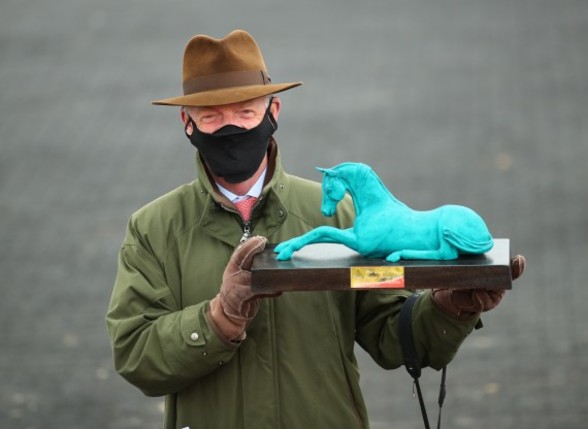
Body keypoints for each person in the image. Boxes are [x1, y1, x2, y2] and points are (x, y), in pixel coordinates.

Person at [106, 29, 526, 429]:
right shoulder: (153, 229)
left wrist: (449, 306)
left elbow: (390, 336)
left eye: (245, 111)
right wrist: (218, 318)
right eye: (212, 116)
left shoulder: (337, 216)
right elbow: (136, 355)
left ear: (274, 111)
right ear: (186, 122)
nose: (231, 127)